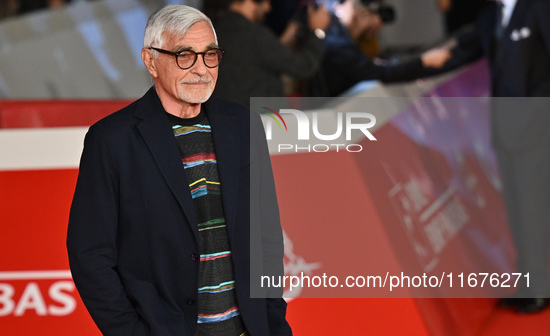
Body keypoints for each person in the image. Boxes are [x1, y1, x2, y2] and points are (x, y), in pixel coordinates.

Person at [67, 4, 296, 336]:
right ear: (151, 61)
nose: (201, 68)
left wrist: (271, 311)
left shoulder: (242, 124)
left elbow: (266, 232)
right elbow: (90, 255)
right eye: (185, 55)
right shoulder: (112, 140)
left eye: (210, 55)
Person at [428, 0, 550, 313]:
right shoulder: (489, 16)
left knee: (533, 209)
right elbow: (460, 53)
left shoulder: (538, 8)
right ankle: (528, 283)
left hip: (537, 130)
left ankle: (537, 286)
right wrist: (399, 68)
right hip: (506, 131)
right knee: (518, 210)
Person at [305, 0, 452, 97]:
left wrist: (358, 33)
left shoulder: (338, 34)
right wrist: (422, 62)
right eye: (355, 4)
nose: (361, 10)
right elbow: (375, 72)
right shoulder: (335, 40)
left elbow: (367, 61)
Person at [212, 0, 330, 107]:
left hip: (229, 118)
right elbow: (304, 66)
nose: (268, 8)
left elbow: (257, 58)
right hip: (258, 121)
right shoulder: (255, 36)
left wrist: (284, 39)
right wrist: (317, 31)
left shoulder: (216, 30)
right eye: (266, 2)